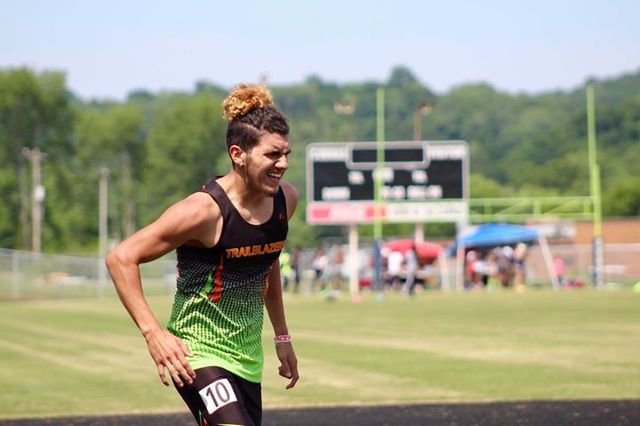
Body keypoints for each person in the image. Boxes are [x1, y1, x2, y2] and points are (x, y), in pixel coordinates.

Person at [106, 83, 299, 426]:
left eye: (286, 154)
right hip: (197, 351)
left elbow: (268, 264)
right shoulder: (203, 211)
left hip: (248, 356)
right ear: (238, 154)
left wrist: (281, 336)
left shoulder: (285, 199)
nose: (282, 164)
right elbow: (121, 257)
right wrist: (154, 334)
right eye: (272, 155)